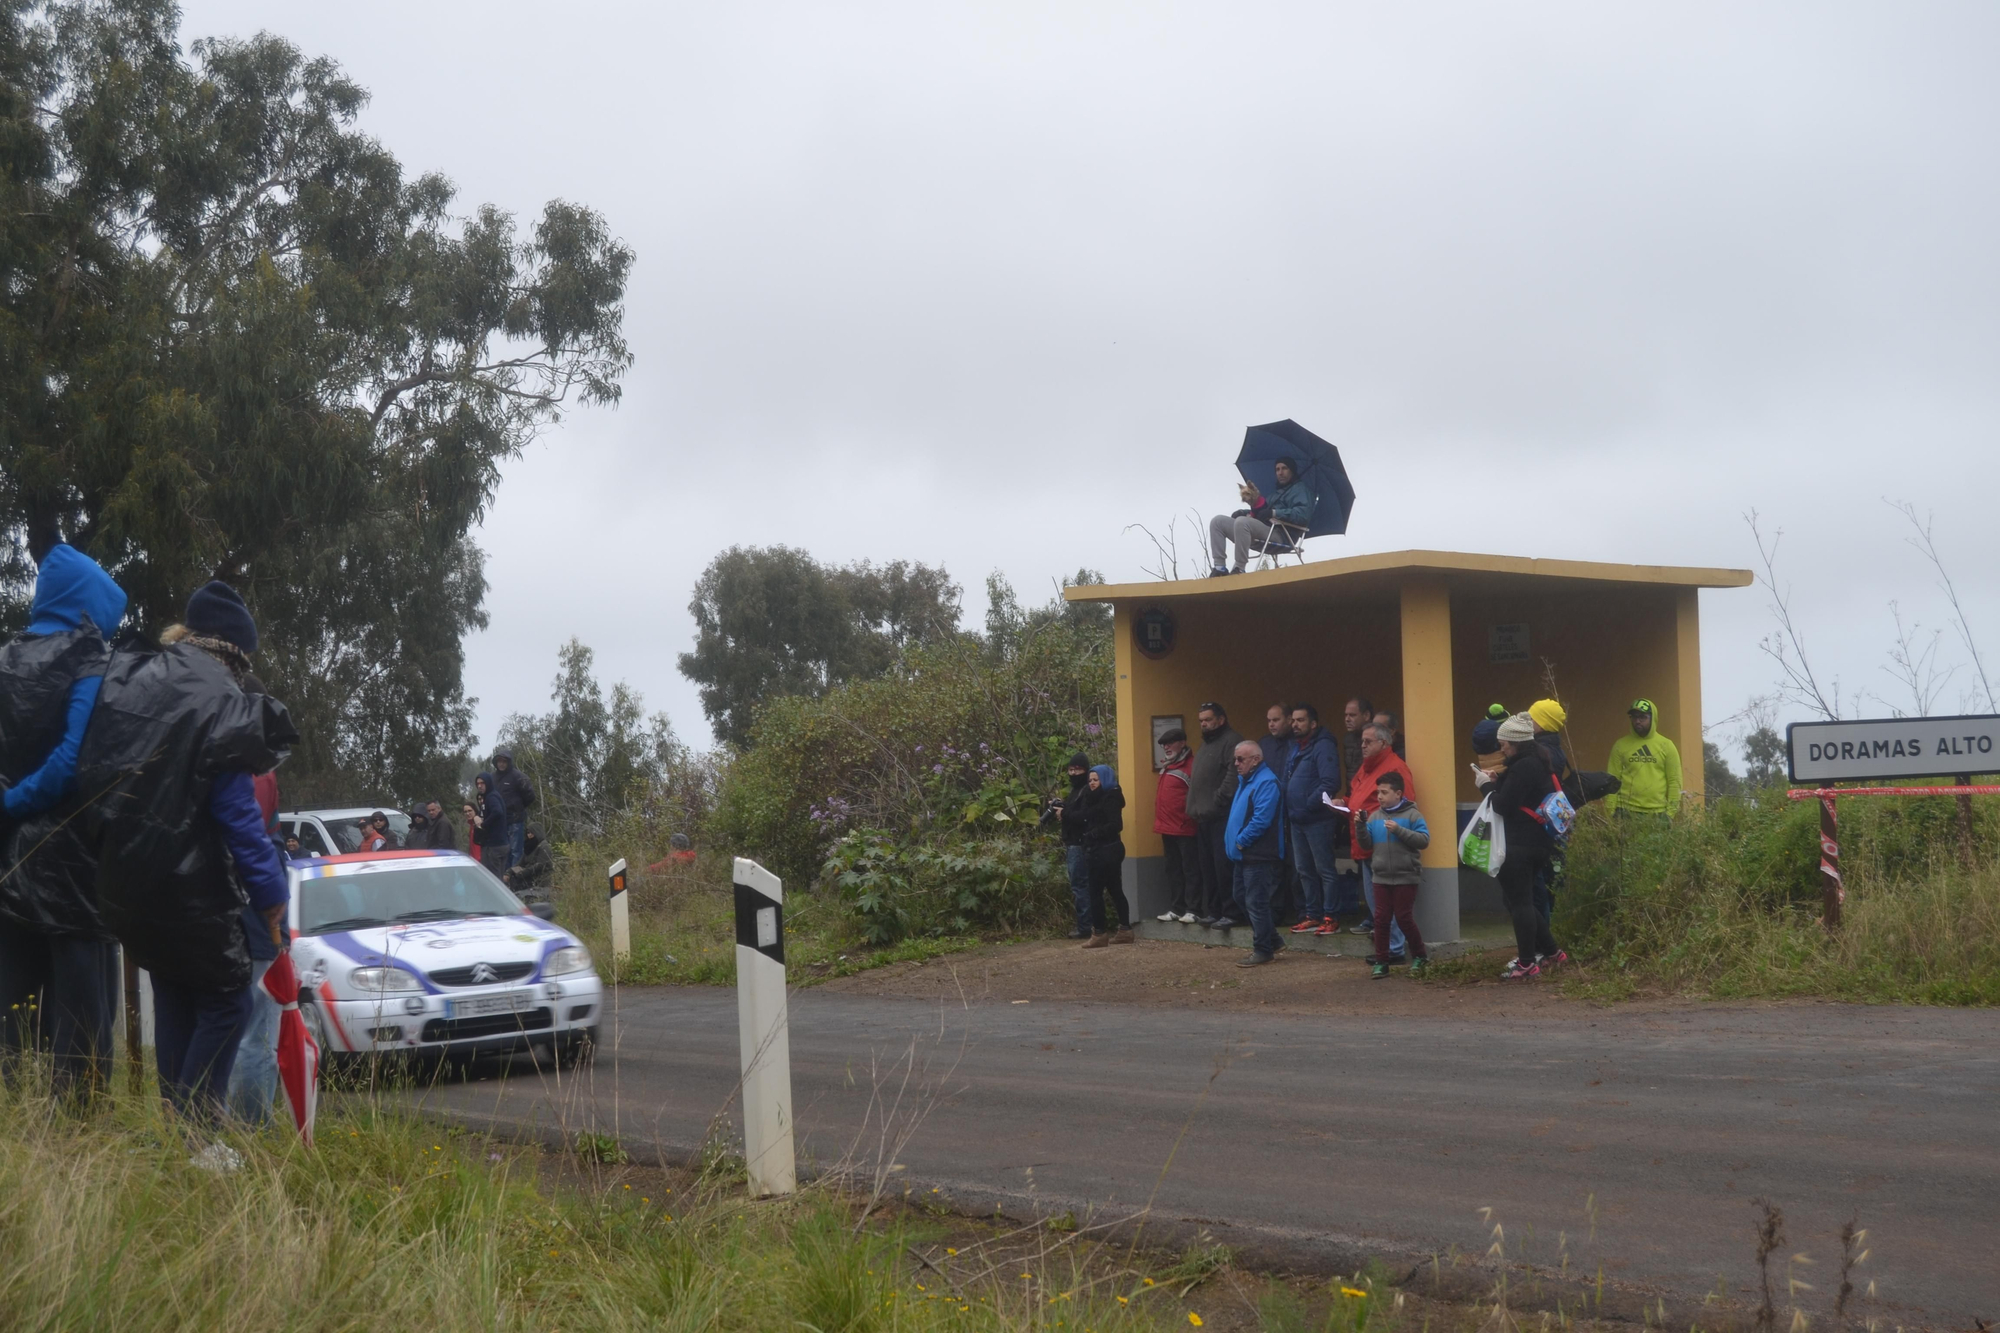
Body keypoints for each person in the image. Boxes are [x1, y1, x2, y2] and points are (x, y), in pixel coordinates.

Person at [82, 581, 295, 1133]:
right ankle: (200, 1132)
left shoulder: (138, 678)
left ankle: (178, 1131)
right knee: (229, 1002)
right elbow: (236, 811)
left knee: (174, 993)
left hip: (124, 879)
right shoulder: (222, 698)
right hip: (188, 882)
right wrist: (270, 893)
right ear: (234, 649)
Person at [0, 543, 126, 1098]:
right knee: (81, 1005)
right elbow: (72, 762)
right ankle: (78, 1120)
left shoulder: (5, 657)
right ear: (93, 604)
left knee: (12, 993)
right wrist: (17, 802)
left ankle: (14, 1110)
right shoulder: (91, 659)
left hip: (8, 853)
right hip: (72, 855)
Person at [1474, 714, 1566, 980]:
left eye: (1504, 744)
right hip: (1538, 842)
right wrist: (1495, 780)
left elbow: (1503, 804)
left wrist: (1485, 787)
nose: (1501, 748)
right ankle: (1552, 951)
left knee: (1520, 903)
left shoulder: (1523, 767)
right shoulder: (1538, 762)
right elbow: (1516, 792)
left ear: (1516, 743)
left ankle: (1527, 962)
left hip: (1520, 844)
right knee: (1519, 900)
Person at [1354, 771, 1431, 979]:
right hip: (1381, 876)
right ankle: (1382, 961)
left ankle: (1420, 956)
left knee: (1404, 917)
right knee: (1381, 919)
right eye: (1378, 792)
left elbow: (1424, 840)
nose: (1379, 796)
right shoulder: (1375, 816)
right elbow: (1366, 844)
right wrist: (1360, 826)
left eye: (1384, 792)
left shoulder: (1413, 815)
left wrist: (1399, 830)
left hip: (1406, 875)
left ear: (1398, 794)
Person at [1346, 723, 1411, 958]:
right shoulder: (1367, 768)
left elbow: (1405, 806)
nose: (1362, 745)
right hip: (1366, 841)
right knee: (1377, 903)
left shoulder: (1395, 769)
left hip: (1383, 844)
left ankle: (1393, 950)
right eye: (1362, 741)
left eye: (1368, 741)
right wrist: (1344, 804)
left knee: (1385, 902)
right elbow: (1360, 799)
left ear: (1383, 743)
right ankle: (1388, 949)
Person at [1282, 703, 1346, 937]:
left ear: (1313, 723)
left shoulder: (1323, 747)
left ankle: (1331, 916)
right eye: (1293, 720)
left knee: (1324, 870)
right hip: (1297, 820)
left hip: (1317, 820)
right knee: (1303, 870)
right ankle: (1313, 915)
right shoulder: (1296, 747)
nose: (1295, 724)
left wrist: (1308, 804)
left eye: (1300, 720)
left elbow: (1330, 783)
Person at [1223, 741, 1285, 965]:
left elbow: (1261, 820)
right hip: (1245, 854)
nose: (1236, 763)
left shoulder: (1266, 782)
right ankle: (1272, 939)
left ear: (1256, 759)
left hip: (1258, 854)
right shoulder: (1247, 781)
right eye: (1235, 759)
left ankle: (1263, 949)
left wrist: (1240, 842)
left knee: (1256, 902)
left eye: (1241, 759)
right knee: (1242, 897)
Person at [1184, 704, 1243, 927]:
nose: (1204, 724)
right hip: (1203, 818)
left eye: (1208, 720)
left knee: (1223, 867)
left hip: (1221, 816)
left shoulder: (1231, 741)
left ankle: (1231, 912)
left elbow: (1234, 773)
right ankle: (1215, 911)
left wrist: (1219, 799)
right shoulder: (1207, 744)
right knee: (1207, 868)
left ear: (1221, 719)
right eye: (1201, 721)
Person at [1208, 457, 1316, 576]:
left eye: (1284, 468)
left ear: (1292, 470)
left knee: (1242, 522)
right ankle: (1219, 567)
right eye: (1277, 469)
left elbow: (1302, 515)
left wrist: (1274, 513)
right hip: (1263, 531)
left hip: (1282, 536)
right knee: (1217, 522)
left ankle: (1239, 568)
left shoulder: (1302, 490)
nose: (1280, 472)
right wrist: (1243, 512)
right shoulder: (1275, 494)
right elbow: (1262, 511)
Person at [1077, 765, 1133, 947]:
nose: (1092, 783)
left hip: (1105, 850)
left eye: (1096, 779)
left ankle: (1099, 933)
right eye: (1090, 780)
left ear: (1105, 779)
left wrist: (1094, 834)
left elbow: (1116, 824)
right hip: (1104, 849)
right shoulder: (1094, 797)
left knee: (1095, 892)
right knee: (1115, 889)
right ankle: (1125, 929)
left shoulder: (1110, 798)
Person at [1043, 754, 1095, 940]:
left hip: (1079, 844)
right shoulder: (1076, 791)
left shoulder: (1086, 791)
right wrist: (1061, 807)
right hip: (1073, 842)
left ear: (1086, 770)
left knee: (1080, 886)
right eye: (1071, 770)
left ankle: (1085, 927)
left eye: (1078, 770)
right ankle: (1088, 925)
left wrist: (1064, 813)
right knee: (1082, 885)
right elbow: (1075, 811)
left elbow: (1084, 816)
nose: (1073, 773)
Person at [1604, 699, 1683, 818]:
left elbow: (1674, 781)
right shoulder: (1620, 745)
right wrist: (1611, 811)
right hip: (1625, 810)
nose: (1637, 721)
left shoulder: (1667, 746)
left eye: (1643, 717)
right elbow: (1611, 779)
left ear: (1653, 718)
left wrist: (1670, 814)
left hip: (1657, 813)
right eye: (1634, 717)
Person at [1150, 730, 1200, 923]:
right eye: (1164, 745)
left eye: (1170, 743)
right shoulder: (1168, 766)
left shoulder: (1192, 766)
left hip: (1185, 828)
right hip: (1167, 828)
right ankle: (1177, 908)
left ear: (1182, 743)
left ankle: (1193, 909)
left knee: (1190, 870)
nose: (1166, 747)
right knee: (1173, 870)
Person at [1259, 704, 1298, 924]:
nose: (1272, 724)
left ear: (1289, 719)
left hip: (1293, 811)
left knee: (1296, 864)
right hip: (1271, 812)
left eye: (1276, 719)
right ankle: (1275, 910)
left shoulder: (1297, 744)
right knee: (1273, 863)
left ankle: (1298, 910)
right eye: (1269, 720)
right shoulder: (1264, 745)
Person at [490, 747, 537, 868]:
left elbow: (530, 796)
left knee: (516, 851)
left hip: (515, 821)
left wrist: (518, 807)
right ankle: (504, 879)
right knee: (502, 851)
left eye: (504, 761)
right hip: (499, 822)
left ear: (509, 762)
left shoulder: (518, 777)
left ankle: (514, 879)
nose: (501, 764)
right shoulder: (492, 778)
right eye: (499, 761)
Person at [505, 824, 554, 905]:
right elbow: (520, 863)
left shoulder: (544, 846)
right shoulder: (529, 846)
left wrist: (524, 872)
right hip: (528, 878)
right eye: (528, 833)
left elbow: (540, 865)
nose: (530, 835)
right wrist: (509, 872)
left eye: (532, 833)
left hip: (540, 881)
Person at [473, 774, 509, 875]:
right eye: (478, 783)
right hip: (500, 844)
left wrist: (484, 824)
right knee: (498, 879)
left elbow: (497, 812)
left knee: (493, 879)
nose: (480, 786)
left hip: (494, 846)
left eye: (482, 783)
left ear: (488, 783)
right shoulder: (490, 796)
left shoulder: (491, 796)